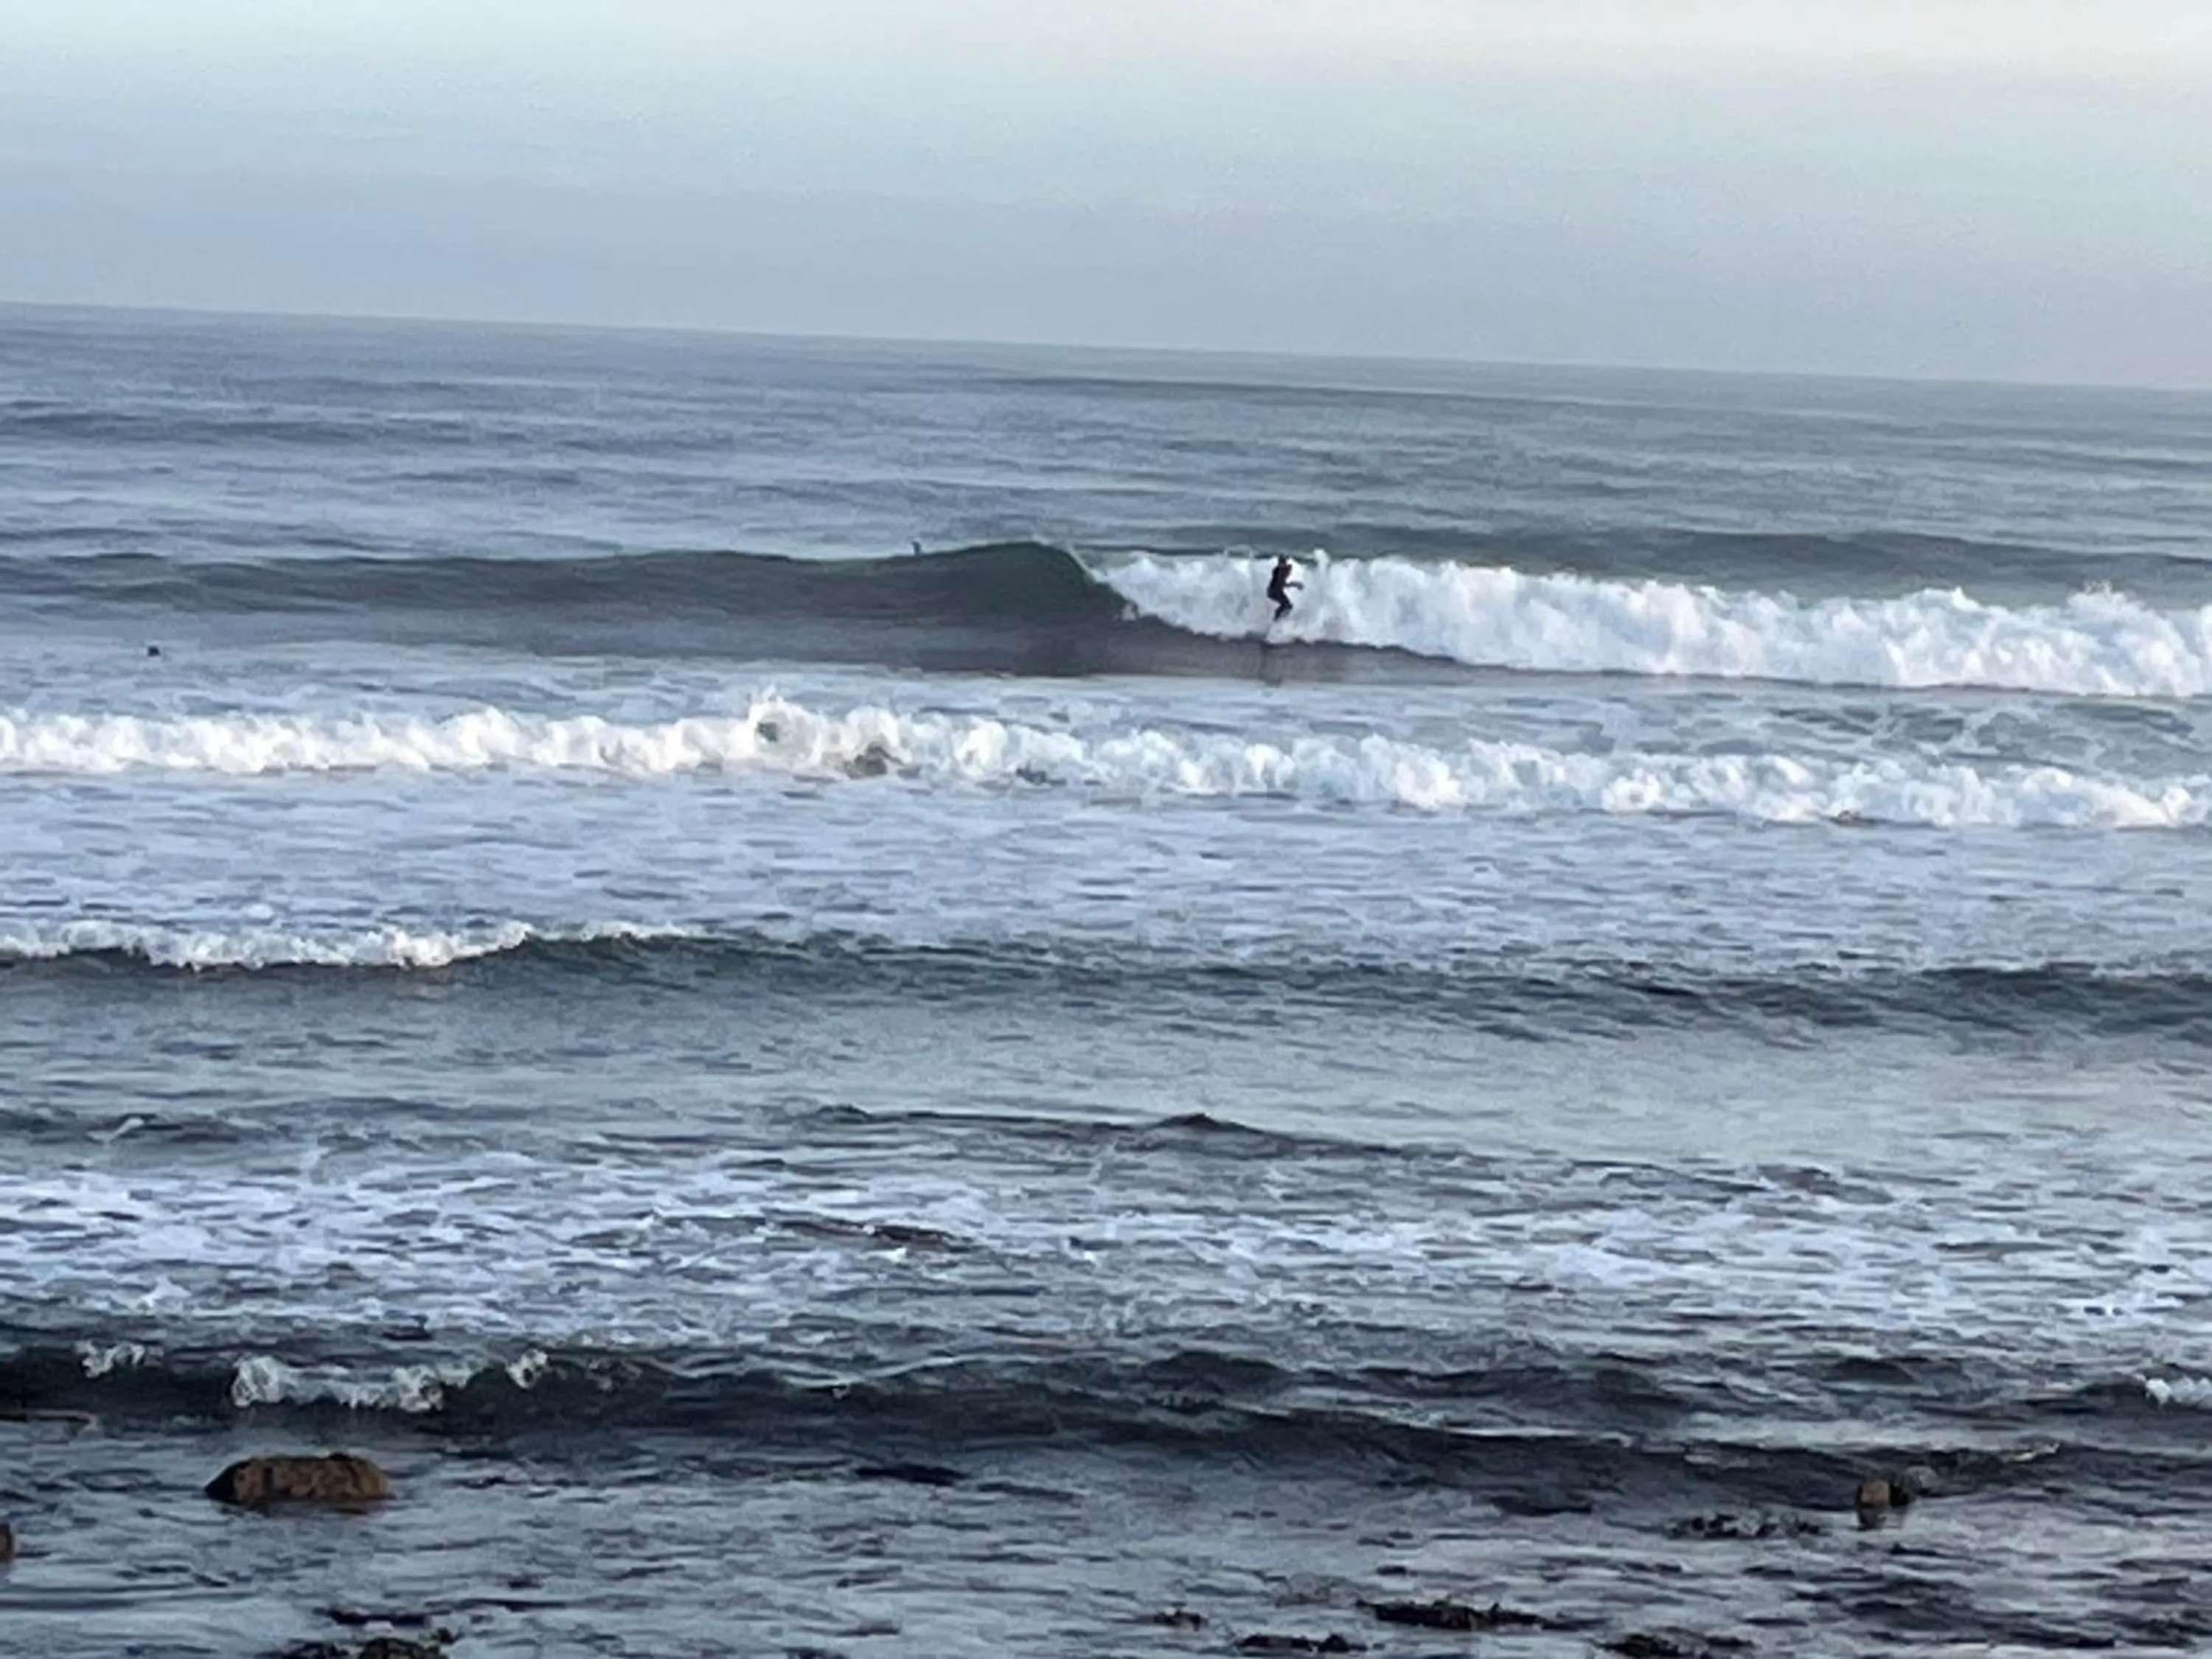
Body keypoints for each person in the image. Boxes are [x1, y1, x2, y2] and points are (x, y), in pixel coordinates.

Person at [1265, 555, 1301, 622]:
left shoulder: (1283, 570)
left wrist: (1295, 585)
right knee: (1287, 606)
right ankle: (1277, 620)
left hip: (1275, 591)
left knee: (1287, 606)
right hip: (1274, 591)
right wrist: (1295, 585)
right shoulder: (1279, 570)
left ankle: (1278, 620)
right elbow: (1281, 583)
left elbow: (1283, 583)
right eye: (1281, 562)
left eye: (1284, 562)